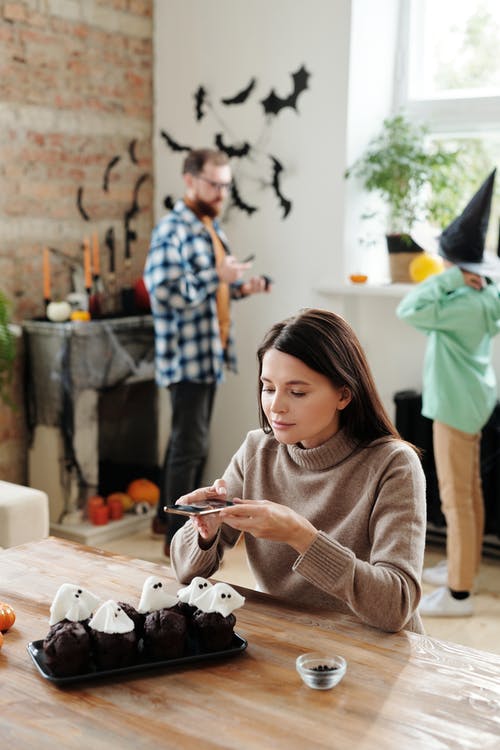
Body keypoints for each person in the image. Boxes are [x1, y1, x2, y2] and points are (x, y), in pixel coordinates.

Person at [169, 308, 426, 633]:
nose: (276, 406)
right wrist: (204, 532)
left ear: (343, 395)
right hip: (295, 639)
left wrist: (300, 536)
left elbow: (395, 606)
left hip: (377, 653)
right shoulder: (257, 450)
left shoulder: (393, 464)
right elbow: (185, 574)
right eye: (268, 387)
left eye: (297, 392)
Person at [144, 148, 271, 556]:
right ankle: (175, 543)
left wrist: (238, 287)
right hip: (186, 357)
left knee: (186, 444)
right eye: (214, 184)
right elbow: (162, 289)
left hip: (209, 354)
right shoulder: (173, 229)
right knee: (190, 448)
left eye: (226, 185)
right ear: (189, 180)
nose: (221, 192)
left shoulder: (209, 227)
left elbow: (206, 287)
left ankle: (166, 524)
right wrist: (216, 275)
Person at [397, 169, 500, 618]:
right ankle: (464, 568)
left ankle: (458, 593)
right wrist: (467, 278)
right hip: (474, 401)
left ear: (456, 266)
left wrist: (451, 280)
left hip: (456, 406)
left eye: (444, 260)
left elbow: (408, 309)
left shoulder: (458, 302)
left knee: (456, 497)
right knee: (470, 491)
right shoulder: (484, 296)